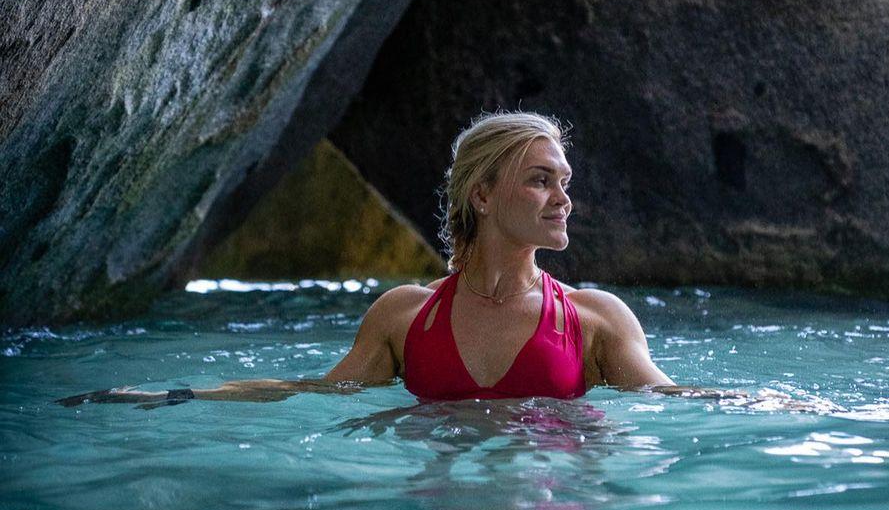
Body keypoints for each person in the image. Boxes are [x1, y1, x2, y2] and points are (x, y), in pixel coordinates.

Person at [60, 111, 744, 407]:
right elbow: (310, 393)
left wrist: (777, 404)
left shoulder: (593, 318)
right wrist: (170, 395)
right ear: (482, 194)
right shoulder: (405, 315)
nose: (563, 198)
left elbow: (668, 398)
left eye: (564, 181)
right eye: (541, 179)